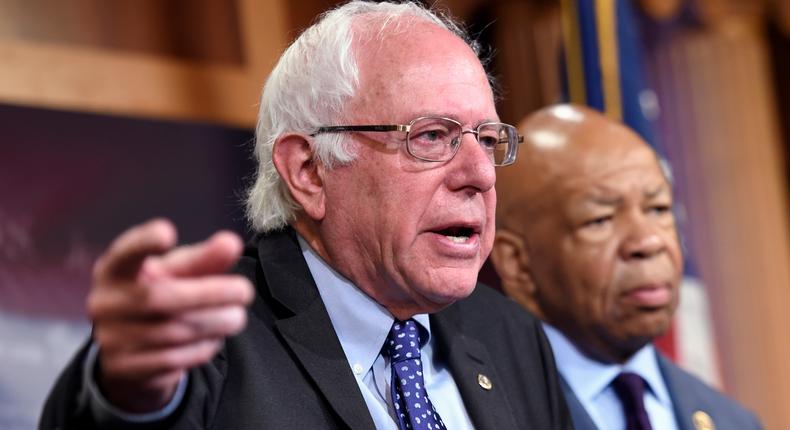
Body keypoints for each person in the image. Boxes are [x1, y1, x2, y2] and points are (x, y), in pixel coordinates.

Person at [40, 2, 572, 429]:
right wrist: (128, 399)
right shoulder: (205, 338)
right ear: (309, 171)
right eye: (432, 137)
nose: (480, 174)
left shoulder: (510, 336)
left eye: (487, 138)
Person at [490, 104, 762, 430]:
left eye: (658, 209)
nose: (648, 242)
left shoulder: (732, 421)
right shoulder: (483, 413)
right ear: (518, 263)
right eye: (600, 220)